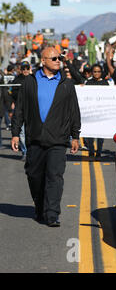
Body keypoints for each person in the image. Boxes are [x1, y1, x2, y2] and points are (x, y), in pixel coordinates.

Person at [11, 47, 81, 227]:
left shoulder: (66, 84)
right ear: (43, 61)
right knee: (34, 176)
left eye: (60, 58)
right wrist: (15, 133)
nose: (59, 61)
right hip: (35, 138)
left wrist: (75, 135)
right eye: (54, 58)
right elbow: (19, 109)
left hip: (58, 140)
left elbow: (74, 111)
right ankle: (40, 205)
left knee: (54, 176)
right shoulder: (30, 82)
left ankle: (52, 213)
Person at [84, 64, 108, 160]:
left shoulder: (105, 83)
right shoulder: (88, 83)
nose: (97, 73)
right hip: (91, 111)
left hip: (101, 112)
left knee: (100, 134)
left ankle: (98, 152)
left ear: (101, 72)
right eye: (95, 71)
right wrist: (82, 88)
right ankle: (91, 152)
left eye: (98, 71)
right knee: (90, 134)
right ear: (91, 72)